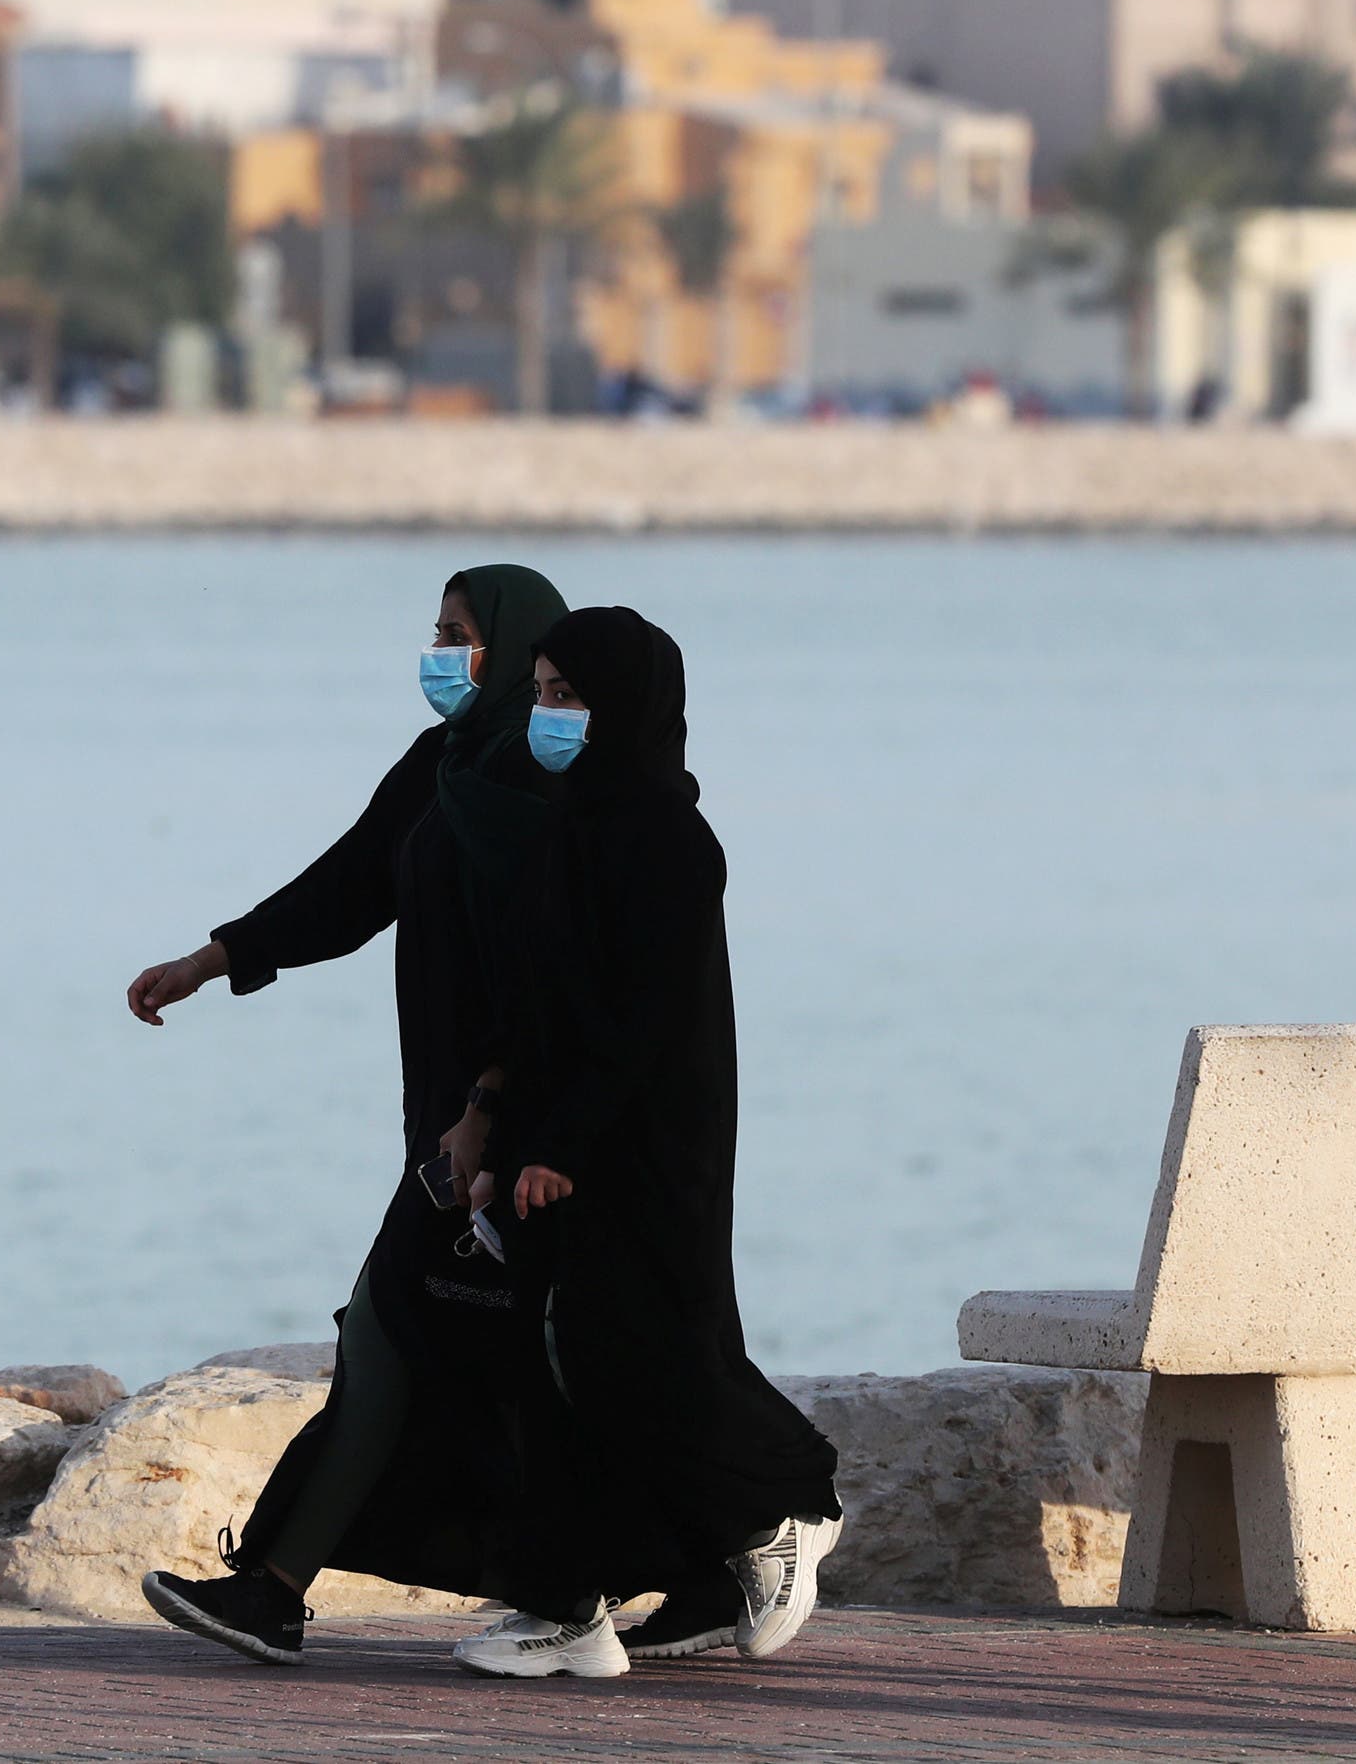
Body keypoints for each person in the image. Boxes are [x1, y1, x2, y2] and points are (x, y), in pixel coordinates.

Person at [125, 565, 570, 1666]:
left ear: (514, 647)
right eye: (434, 631)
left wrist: (486, 1106)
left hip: (515, 1125)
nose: (439, 652)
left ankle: (275, 1588)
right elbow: (349, 885)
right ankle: (601, 1581)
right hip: (448, 1124)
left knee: (396, 1333)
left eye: (461, 634)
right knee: (433, 1347)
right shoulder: (444, 765)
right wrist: (212, 959)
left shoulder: (542, 785)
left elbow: (550, 975)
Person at [448, 605, 845, 1681]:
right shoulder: (570, 821)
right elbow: (541, 1004)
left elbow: (644, 1018)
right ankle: (577, 1602)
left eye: (567, 696)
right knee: (552, 1365)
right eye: (538, 693)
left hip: (643, 1139)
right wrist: (498, 1122)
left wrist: (562, 1144)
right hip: (556, 1134)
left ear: (627, 705)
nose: (547, 714)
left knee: (637, 1351)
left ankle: (782, 1505)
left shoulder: (665, 834)